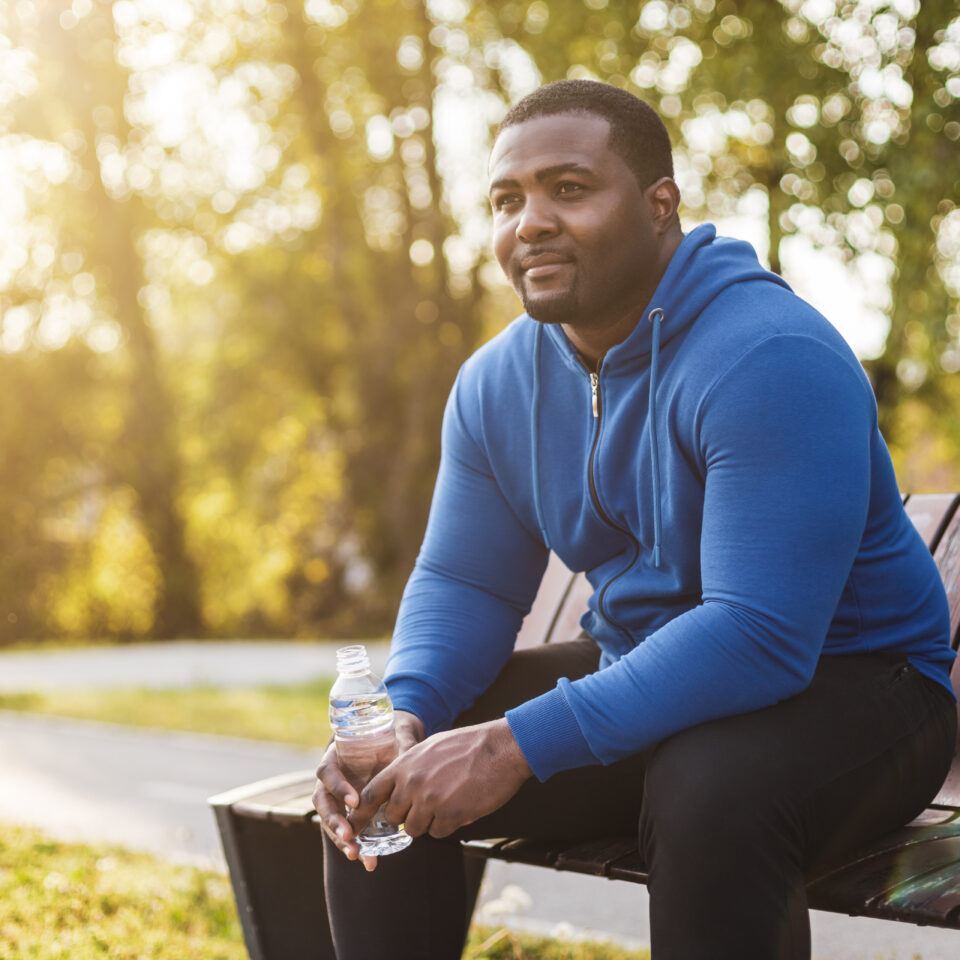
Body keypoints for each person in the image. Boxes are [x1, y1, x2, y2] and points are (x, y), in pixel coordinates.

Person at [312, 80, 957, 960]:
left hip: (860, 685)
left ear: (661, 207)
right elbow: (464, 581)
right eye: (508, 199)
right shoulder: (496, 384)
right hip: (650, 669)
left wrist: (512, 747)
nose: (530, 220)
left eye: (568, 189)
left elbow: (760, 634)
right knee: (377, 776)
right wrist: (410, 714)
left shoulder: (769, 355)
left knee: (710, 791)